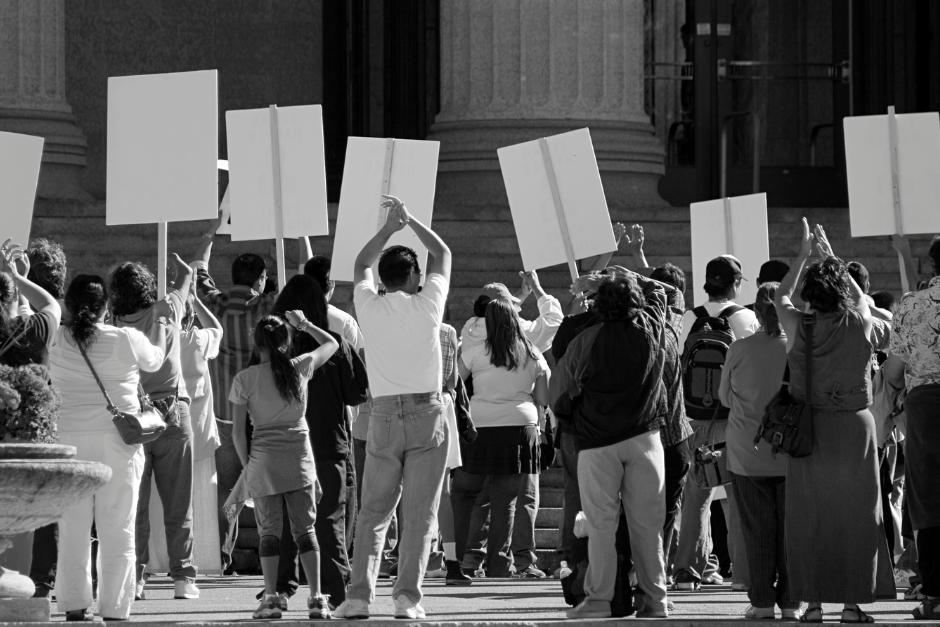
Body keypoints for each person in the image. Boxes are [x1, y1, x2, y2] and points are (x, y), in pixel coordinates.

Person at [333, 194, 451, 620]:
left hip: (381, 414)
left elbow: (359, 265)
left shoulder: (369, 304)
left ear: (384, 279)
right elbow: (443, 252)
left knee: (373, 513)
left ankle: (360, 597)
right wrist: (411, 220)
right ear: (416, 276)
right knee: (419, 515)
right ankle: (406, 599)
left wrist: (388, 228)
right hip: (426, 413)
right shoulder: (429, 303)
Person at [773, 219, 894, 623]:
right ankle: (852, 604)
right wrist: (832, 258)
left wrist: (803, 254)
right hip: (855, 427)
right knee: (858, 516)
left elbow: (779, 297)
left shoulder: (798, 325)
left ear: (811, 295)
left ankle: (812, 605)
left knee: (809, 516)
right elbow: (866, 302)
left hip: (810, 428)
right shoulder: (859, 322)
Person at [551, 269, 674, 619]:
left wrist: (574, 418)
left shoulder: (585, 340)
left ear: (598, 305)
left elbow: (557, 394)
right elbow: (665, 295)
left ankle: (600, 599)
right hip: (646, 438)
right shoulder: (653, 327)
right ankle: (656, 599)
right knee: (647, 527)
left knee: (601, 525)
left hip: (597, 440)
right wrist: (628, 275)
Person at [50, 274, 165, 621]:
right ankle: (115, 608)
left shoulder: (57, 339)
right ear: (107, 307)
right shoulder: (127, 338)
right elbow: (156, 361)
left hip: (68, 442)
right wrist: (161, 321)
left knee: (73, 529)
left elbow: (42, 310)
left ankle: (73, 603)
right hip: (118, 443)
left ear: (69, 305)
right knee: (119, 527)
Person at [267, 275, 368, 610]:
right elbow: (357, 393)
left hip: (284, 445)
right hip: (328, 442)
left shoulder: (272, 350)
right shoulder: (335, 344)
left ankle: (280, 588)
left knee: (284, 521)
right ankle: (338, 593)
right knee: (328, 521)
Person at [230, 313, 338, 619]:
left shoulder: (245, 379)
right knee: (306, 530)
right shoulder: (300, 367)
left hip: (263, 460)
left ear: (256, 343)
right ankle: (317, 598)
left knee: (269, 533)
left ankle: (272, 597)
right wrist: (305, 325)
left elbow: (238, 434)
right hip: (299, 458)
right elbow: (332, 344)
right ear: (285, 341)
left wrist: (247, 466)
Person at [110, 255, 199, 600]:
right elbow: (187, 278)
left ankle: (137, 577)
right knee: (179, 504)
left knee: (136, 504)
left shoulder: (113, 323)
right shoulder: (167, 310)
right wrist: (180, 270)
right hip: (173, 413)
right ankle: (183, 578)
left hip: (133, 416)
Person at [192, 232, 277, 572]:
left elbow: (198, 269)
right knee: (271, 489)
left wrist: (211, 232)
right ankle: (274, 557)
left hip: (223, 414)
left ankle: (223, 555)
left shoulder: (215, 304)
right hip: (261, 416)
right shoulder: (265, 307)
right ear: (259, 280)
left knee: (226, 488)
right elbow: (290, 280)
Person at [673, 255, 757, 592]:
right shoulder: (746, 319)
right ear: (736, 283)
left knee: (696, 494)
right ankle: (742, 571)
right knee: (738, 494)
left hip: (693, 416)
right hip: (733, 418)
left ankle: (686, 571)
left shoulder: (689, 318)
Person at [719, 282, 801, 620]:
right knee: (790, 531)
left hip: (746, 452)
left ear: (756, 311)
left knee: (757, 530)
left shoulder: (739, 349)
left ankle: (763, 602)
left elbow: (724, 398)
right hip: (791, 452)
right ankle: (792, 603)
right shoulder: (798, 348)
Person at [456, 299, 550, 578]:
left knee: (476, 496)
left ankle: (468, 559)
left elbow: (453, 383)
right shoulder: (532, 353)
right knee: (507, 500)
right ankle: (500, 563)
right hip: (521, 428)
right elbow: (543, 397)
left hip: (481, 427)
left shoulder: (475, 352)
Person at [885, 234, 940, 620]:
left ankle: (936, 591)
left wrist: (892, 399)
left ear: (932, 266)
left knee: (928, 495)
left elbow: (894, 369)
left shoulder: (912, 304)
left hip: (927, 404)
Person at [23, 237, 68, 598]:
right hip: (46, 420)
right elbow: (49, 305)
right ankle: (43, 582)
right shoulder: (46, 323)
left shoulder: (28, 322)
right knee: (49, 501)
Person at [178, 281, 224, 573]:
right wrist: (195, 301)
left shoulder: (159, 338)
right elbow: (217, 328)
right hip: (200, 429)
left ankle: (162, 558)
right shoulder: (197, 339)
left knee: (165, 499)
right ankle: (203, 558)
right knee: (202, 500)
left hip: (168, 429)